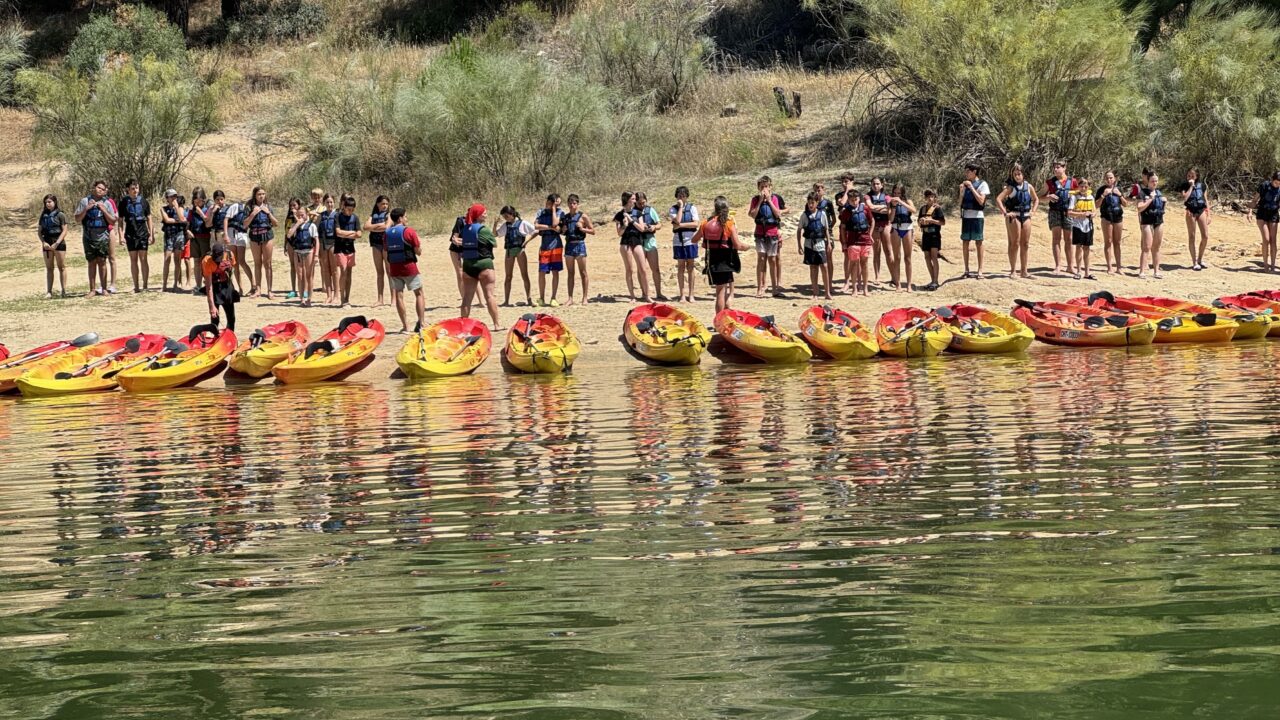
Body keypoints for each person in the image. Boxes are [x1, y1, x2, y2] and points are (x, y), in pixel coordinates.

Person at [691, 195, 747, 313]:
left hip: (712, 260)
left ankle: (724, 315)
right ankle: (719, 319)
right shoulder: (728, 224)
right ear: (726, 209)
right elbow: (738, 245)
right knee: (721, 292)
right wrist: (747, 247)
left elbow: (694, 240)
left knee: (721, 290)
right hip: (725, 261)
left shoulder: (705, 223)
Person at [459, 203, 502, 331]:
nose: (486, 214)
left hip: (468, 265)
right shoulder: (483, 229)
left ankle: (463, 325)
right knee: (489, 295)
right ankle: (496, 324)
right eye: (484, 213)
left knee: (467, 297)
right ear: (478, 215)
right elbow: (494, 244)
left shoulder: (465, 229)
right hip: (484, 264)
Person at [383, 207, 424, 333]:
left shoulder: (387, 233)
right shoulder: (409, 231)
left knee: (399, 296)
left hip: (394, 267)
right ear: (400, 218)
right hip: (409, 267)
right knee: (419, 293)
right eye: (405, 216)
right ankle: (421, 323)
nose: (407, 219)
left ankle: (405, 326)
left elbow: (385, 250)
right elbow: (418, 252)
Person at [74, 180, 115, 297]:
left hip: (102, 237)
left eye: (103, 189)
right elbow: (77, 219)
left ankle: (104, 289)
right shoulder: (84, 201)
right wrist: (86, 208)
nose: (100, 190)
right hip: (88, 236)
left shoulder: (107, 203)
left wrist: (104, 210)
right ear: (94, 187)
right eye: (98, 188)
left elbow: (112, 221)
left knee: (102, 262)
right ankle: (92, 289)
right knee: (91, 262)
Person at [996, 162, 1037, 278]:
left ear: (1023, 174)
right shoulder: (1010, 188)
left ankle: (1024, 271)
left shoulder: (1029, 187)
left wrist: (1033, 211)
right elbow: (998, 199)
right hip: (1014, 216)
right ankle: (1013, 270)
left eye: (1019, 174)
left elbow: (1036, 199)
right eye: (1015, 175)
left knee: (1025, 243)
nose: (1017, 176)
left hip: (1026, 216)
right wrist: (1005, 213)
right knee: (1015, 243)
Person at [748, 175, 786, 297]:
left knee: (772, 259)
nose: (764, 189)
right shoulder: (755, 200)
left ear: (770, 187)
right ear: (758, 188)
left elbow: (778, 214)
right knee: (761, 258)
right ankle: (760, 288)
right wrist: (760, 201)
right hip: (760, 233)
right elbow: (752, 214)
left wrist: (769, 201)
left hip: (772, 233)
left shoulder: (774, 199)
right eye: (762, 187)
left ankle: (774, 288)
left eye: (766, 186)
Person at [837, 178, 873, 296]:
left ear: (859, 199)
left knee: (865, 264)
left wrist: (871, 235)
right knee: (853, 264)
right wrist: (844, 241)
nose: (854, 202)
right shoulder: (846, 212)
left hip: (865, 240)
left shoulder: (866, 209)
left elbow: (872, 222)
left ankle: (865, 288)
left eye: (856, 199)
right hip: (852, 240)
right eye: (851, 200)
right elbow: (842, 227)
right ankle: (854, 289)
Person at [615, 192, 651, 302]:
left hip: (637, 241)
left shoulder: (638, 213)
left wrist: (632, 221)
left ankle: (647, 295)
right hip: (625, 242)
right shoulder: (619, 215)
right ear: (627, 200)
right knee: (629, 269)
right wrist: (625, 225)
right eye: (633, 199)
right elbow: (619, 233)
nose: (635, 201)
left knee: (643, 269)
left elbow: (641, 228)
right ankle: (632, 296)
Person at [495, 206, 535, 307]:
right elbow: (495, 234)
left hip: (520, 251)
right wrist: (495, 224)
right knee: (508, 276)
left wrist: (527, 241)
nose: (505, 218)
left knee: (524, 275)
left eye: (506, 216)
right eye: (504, 217)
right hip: (509, 251)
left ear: (512, 214)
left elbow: (535, 231)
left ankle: (529, 299)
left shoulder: (523, 223)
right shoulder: (506, 225)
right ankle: (506, 301)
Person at [119, 179, 153, 293]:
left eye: (137, 188)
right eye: (133, 189)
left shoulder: (144, 201)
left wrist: (151, 234)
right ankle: (136, 286)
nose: (135, 191)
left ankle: (145, 286)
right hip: (130, 234)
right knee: (133, 260)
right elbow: (120, 220)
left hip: (143, 233)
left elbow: (149, 218)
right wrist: (121, 235)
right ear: (128, 190)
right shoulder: (123, 202)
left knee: (143, 259)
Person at [1131, 169, 1166, 278]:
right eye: (1152, 181)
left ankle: (1156, 271)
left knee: (1157, 247)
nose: (1154, 183)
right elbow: (1139, 208)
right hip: (1147, 221)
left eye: (1156, 181)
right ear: (1148, 181)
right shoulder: (1143, 193)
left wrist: (1164, 202)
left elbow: (1162, 208)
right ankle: (1142, 271)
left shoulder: (1159, 193)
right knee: (1146, 247)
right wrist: (1150, 200)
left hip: (1158, 221)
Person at [796, 192, 832, 299]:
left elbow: (826, 229)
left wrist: (829, 243)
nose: (810, 205)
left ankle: (827, 293)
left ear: (817, 203)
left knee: (824, 267)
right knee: (813, 268)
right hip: (809, 244)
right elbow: (799, 230)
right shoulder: (804, 216)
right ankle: (815, 292)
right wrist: (799, 245)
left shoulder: (823, 214)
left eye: (813, 203)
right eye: (809, 203)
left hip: (820, 243)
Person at [1041, 160, 1075, 275]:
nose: (1056, 169)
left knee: (1069, 239)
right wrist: (1048, 196)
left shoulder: (1073, 182)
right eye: (1054, 167)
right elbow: (1038, 197)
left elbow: (1080, 195)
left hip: (1068, 212)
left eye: (1058, 167)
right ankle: (1057, 266)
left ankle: (1070, 266)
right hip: (1054, 211)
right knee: (1056, 239)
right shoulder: (1050, 182)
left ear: (1064, 168)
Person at [245, 186, 278, 297]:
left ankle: (270, 290)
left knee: (267, 263)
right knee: (257, 262)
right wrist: (253, 214)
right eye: (259, 194)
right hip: (254, 236)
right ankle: (258, 289)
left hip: (267, 235)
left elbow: (275, 223)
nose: (261, 196)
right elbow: (245, 224)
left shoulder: (268, 207)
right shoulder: (249, 207)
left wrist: (268, 213)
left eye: (263, 194)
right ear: (255, 195)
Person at [561, 193, 594, 305]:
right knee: (570, 273)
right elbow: (562, 231)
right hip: (569, 245)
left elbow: (593, 231)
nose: (572, 205)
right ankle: (570, 298)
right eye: (570, 203)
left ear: (577, 204)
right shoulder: (565, 217)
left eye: (574, 203)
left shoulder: (583, 216)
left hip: (580, 244)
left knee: (583, 272)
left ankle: (585, 298)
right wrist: (563, 230)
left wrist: (582, 229)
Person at [669, 186, 700, 303]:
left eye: (683, 195)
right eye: (679, 196)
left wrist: (681, 226)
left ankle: (691, 294)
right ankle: (682, 295)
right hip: (678, 241)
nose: (681, 197)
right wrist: (681, 207)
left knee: (691, 266)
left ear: (687, 196)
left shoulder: (692, 208)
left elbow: (696, 224)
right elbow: (676, 220)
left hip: (691, 240)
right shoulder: (673, 209)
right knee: (681, 267)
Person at [958, 164, 989, 279]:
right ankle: (966, 269)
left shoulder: (982, 184)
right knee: (965, 241)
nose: (966, 174)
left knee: (979, 242)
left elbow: (981, 201)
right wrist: (961, 192)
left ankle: (980, 270)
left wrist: (971, 188)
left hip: (977, 216)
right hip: (966, 216)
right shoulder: (964, 185)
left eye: (968, 172)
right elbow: (960, 203)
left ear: (974, 171)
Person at [533, 193, 564, 307]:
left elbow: (556, 224)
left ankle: (553, 297)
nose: (550, 205)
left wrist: (554, 210)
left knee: (555, 272)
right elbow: (536, 225)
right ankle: (541, 297)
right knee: (542, 272)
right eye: (550, 203)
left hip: (556, 245)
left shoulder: (560, 212)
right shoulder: (541, 212)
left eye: (553, 204)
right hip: (545, 245)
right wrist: (550, 227)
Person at [286, 198, 318, 307]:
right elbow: (289, 235)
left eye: (303, 215)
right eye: (299, 215)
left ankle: (309, 298)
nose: (301, 217)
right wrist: (297, 224)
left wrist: (316, 255)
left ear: (306, 215)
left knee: (309, 276)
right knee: (300, 276)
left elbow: (316, 240)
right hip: (297, 252)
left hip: (308, 251)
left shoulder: (311, 226)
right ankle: (302, 299)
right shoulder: (295, 226)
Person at [866, 177, 897, 286]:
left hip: (886, 224)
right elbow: (870, 207)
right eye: (874, 184)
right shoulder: (867, 196)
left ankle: (894, 277)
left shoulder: (887, 196)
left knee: (889, 251)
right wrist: (883, 207)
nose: (876, 186)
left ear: (882, 185)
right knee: (876, 252)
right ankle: (877, 277)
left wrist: (878, 208)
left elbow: (889, 211)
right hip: (874, 225)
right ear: (871, 185)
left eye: (878, 184)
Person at [634, 192, 664, 300]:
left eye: (643, 203)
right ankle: (644, 293)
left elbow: (659, 224)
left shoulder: (650, 210)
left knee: (655, 268)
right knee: (641, 269)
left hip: (650, 240)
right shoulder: (633, 212)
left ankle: (659, 293)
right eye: (639, 203)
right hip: (638, 241)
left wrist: (654, 227)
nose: (642, 205)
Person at [1095, 170, 1127, 275]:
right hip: (1106, 218)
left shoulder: (1119, 189)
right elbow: (1096, 205)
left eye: (1111, 178)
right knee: (1108, 241)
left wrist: (1120, 195)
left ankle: (1119, 267)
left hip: (1118, 218)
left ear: (1114, 179)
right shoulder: (1101, 190)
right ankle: (1109, 267)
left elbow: (1126, 204)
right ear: (1104, 179)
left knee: (1117, 242)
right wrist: (1103, 196)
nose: (1109, 180)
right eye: (1107, 178)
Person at [204, 242, 239, 331]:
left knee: (231, 318)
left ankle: (230, 336)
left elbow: (232, 271)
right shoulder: (207, 261)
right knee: (215, 318)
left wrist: (228, 268)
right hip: (214, 286)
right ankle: (214, 337)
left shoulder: (229, 255)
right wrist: (212, 306)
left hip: (226, 286)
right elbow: (209, 286)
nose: (217, 260)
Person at [38, 194, 68, 298]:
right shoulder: (43, 215)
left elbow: (64, 230)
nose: (48, 204)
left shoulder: (60, 214)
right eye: (46, 202)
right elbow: (39, 232)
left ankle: (63, 290)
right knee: (49, 268)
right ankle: (49, 291)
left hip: (59, 243)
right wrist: (43, 242)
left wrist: (57, 243)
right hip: (47, 243)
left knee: (61, 267)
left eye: (50, 202)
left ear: (54, 202)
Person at [333, 195, 361, 306]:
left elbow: (359, 234)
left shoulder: (355, 218)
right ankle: (342, 298)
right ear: (344, 207)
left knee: (349, 273)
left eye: (352, 210)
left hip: (350, 248)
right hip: (340, 248)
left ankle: (347, 298)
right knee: (343, 270)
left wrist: (347, 234)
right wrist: (351, 234)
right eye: (348, 209)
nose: (350, 211)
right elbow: (338, 232)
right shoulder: (337, 217)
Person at [887, 182, 916, 292]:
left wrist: (901, 202)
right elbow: (890, 218)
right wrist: (894, 206)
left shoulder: (908, 201)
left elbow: (913, 210)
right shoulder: (890, 203)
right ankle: (898, 284)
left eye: (899, 193)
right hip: (895, 228)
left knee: (907, 258)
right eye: (895, 193)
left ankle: (908, 284)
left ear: (902, 193)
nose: (896, 195)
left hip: (907, 228)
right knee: (897, 257)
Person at [222, 193, 252, 295]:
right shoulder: (235, 206)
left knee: (242, 261)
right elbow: (226, 219)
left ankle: (253, 285)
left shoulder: (251, 210)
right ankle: (240, 289)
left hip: (242, 234)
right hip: (231, 233)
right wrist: (226, 234)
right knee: (234, 263)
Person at [1181, 168, 1211, 271]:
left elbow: (1206, 200)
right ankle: (1194, 262)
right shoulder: (1185, 186)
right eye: (1188, 175)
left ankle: (1200, 259)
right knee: (1192, 236)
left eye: (1192, 176)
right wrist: (1191, 186)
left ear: (1196, 176)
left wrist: (1209, 215)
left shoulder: (1202, 186)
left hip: (1201, 210)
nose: (1190, 177)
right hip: (1190, 211)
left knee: (1205, 236)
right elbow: (1185, 198)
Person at [1068, 177, 1096, 280]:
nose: (1083, 188)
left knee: (1087, 248)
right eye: (1081, 186)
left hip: (1088, 225)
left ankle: (1087, 272)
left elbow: (1094, 211)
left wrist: (1092, 214)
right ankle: (1079, 271)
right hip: (1078, 225)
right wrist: (1082, 214)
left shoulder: (1091, 197)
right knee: (1079, 247)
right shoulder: (1074, 197)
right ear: (1078, 186)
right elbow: (1069, 212)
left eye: (1085, 186)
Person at [159, 189, 188, 292]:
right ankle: (164, 285)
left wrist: (176, 208)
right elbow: (167, 220)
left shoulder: (180, 208)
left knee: (177, 260)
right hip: (169, 235)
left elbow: (182, 218)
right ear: (167, 198)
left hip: (179, 235)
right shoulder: (163, 209)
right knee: (167, 259)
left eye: (175, 196)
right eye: (171, 197)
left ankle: (176, 284)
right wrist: (178, 220)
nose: (173, 199)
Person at [365, 195, 391, 306]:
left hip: (386, 244)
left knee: (390, 272)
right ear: (377, 204)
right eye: (382, 204)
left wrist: (373, 227)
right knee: (379, 272)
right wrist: (379, 225)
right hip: (375, 244)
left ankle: (393, 298)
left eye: (386, 204)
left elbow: (387, 227)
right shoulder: (372, 215)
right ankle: (380, 299)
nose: (384, 206)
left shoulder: (389, 215)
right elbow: (366, 227)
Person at [917, 189, 945, 290]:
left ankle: (935, 281)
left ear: (935, 198)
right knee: (927, 257)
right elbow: (918, 221)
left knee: (934, 257)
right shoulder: (922, 209)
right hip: (925, 235)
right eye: (928, 196)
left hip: (934, 235)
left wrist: (931, 220)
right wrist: (922, 221)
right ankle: (932, 279)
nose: (930, 198)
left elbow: (942, 222)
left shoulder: (937, 209)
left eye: (932, 196)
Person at [1253, 172, 1280, 273]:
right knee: (1266, 239)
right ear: (1272, 180)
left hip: (1273, 214)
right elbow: (1255, 199)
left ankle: (1273, 265)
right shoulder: (1264, 186)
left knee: (1273, 241)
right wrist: (1250, 211)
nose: (1278, 185)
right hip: (1262, 213)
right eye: (1276, 182)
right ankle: (1265, 264)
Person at [188, 187, 212, 295]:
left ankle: (207, 285)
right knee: (196, 261)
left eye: (200, 200)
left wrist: (201, 213)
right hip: (194, 237)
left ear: (204, 199)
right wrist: (187, 231)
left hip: (205, 237)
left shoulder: (208, 209)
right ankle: (198, 285)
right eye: (195, 199)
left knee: (205, 261)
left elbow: (208, 222)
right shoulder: (191, 211)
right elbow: (187, 223)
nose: (197, 202)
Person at [317, 193, 339, 304]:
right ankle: (328, 295)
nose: (329, 204)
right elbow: (317, 231)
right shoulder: (321, 215)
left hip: (334, 243)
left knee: (334, 270)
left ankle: (336, 295)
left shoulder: (337, 215)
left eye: (331, 202)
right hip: (323, 243)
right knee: (326, 269)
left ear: (334, 202)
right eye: (327, 202)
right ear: (324, 203)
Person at [814, 182, 837, 286]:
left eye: (821, 187)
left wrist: (828, 228)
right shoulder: (810, 203)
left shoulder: (828, 203)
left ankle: (830, 282)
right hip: (815, 234)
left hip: (827, 233)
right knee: (817, 259)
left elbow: (834, 219)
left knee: (829, 256)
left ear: (824, 189)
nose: (819, 189)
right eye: (816, 187)